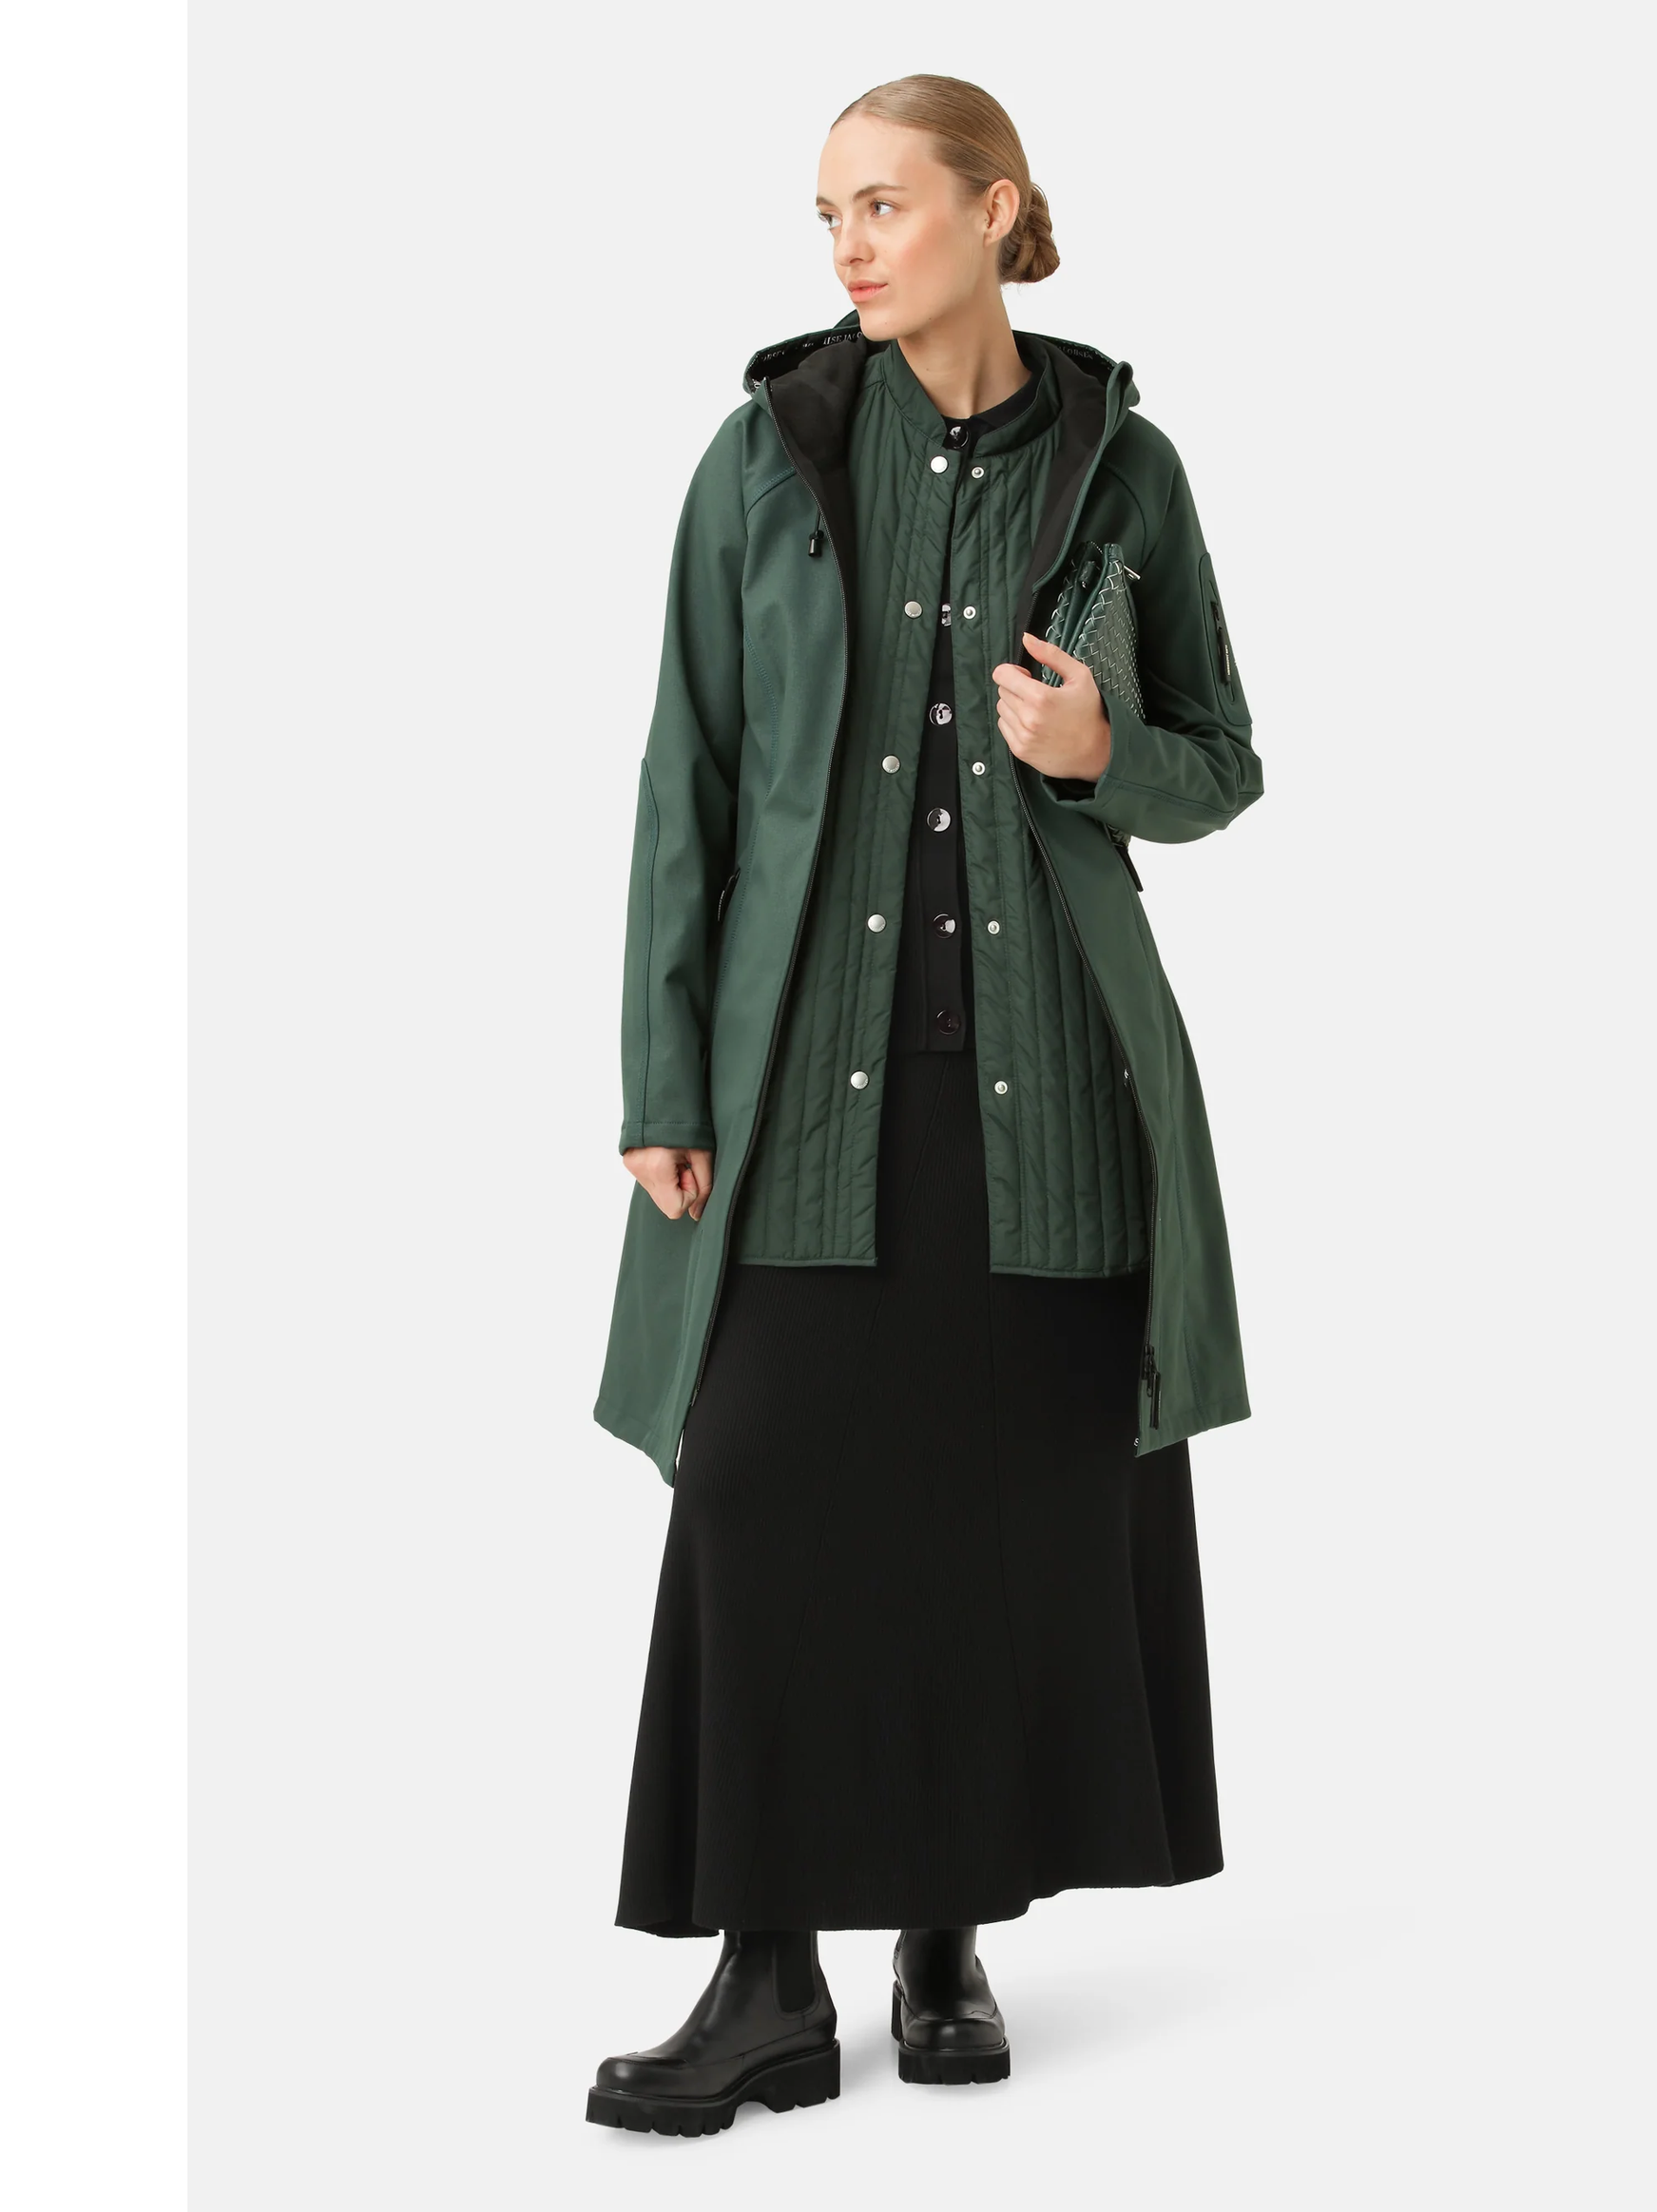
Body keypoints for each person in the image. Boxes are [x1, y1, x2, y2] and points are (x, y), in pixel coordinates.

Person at [585, 73, 1263, 2138]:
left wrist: (1101, 749)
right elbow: (687, 775)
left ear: (995, 210)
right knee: (759, 1496)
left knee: (999, 1519)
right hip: (803, 1085)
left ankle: (947, 1934)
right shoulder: (765, 460)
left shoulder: (1123, 467)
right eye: (829, 215)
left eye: (882, 204)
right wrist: (663, 1074)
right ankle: (765, 1978)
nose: (850, 246)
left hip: (1051, 1097)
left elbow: (1221, 761)